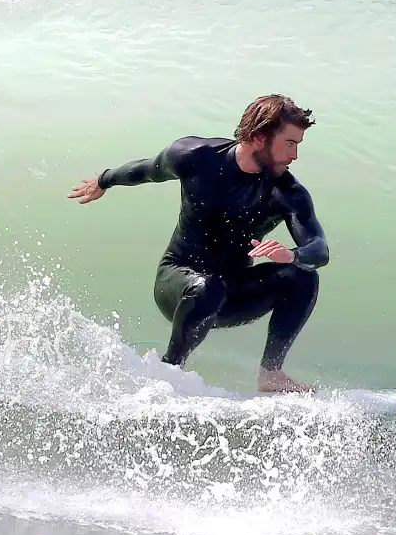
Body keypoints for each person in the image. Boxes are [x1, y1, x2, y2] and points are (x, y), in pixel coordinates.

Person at [67, 94, 329, 393]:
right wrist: (103, 180)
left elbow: (319, 248)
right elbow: (147, 169)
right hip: (177, 282)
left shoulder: (287, 192)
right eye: (290, 144)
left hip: (231, 294)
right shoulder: (197, 156)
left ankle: (271, 373)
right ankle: (169, 373)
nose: (294, 156)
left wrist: (292, 255)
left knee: (304, 276)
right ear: (259, 138)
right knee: (207, 287)